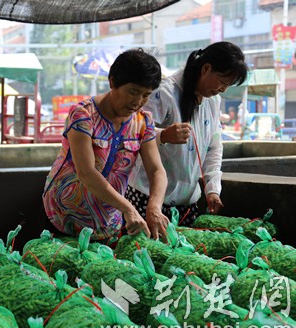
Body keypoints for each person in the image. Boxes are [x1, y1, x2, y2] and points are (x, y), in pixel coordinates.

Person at [42, 48, 169, 244]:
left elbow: (156, 170)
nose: (138, 102)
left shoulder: (144, 122)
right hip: (65, 215)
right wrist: (128, 208)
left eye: (146, 95)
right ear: (112, 82)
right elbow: (86, 172)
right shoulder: (83, 115)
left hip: (108, 221)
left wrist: (154, 207)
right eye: (133, 92)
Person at [127, 42, 248, 226]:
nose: (223, 89)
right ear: (206, 68)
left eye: (228, 85)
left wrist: (212, 189)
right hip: (148, 199)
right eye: (223, 82)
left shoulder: (213, 100)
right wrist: (163, 135)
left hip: (188, 204)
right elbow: (132, 132)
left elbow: (214, 147)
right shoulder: (164, 93)